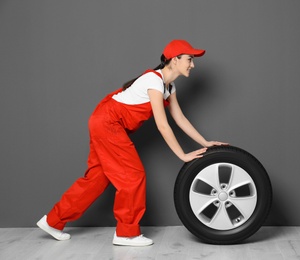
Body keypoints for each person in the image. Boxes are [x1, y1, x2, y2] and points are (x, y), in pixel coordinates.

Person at [37, 39, 227, 246]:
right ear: (174, 60)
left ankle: (53, 221)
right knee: (132, 176)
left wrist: (205, 142)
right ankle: (126, 233)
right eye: (189, 59)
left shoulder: (168, 87)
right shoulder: (154, 81)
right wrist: (182, 155)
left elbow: (180, 119)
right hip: (108, 123)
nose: (193, 65)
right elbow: (163, 125)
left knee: (96, 179)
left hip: (104, 122)